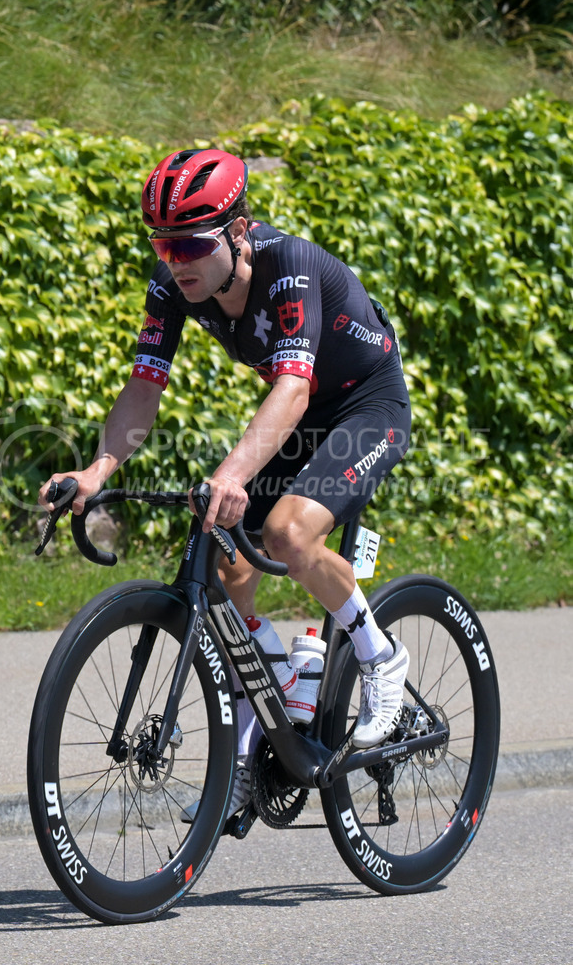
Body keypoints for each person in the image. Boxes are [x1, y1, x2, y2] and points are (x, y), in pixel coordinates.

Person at [39, 147, 412, 820]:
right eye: (162, 242)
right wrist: (94, 472)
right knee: (224, 563)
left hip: (364, 405)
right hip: (296, 410)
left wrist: (232, 474)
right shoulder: (172, 283)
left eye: (189, 243)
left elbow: (294, 387)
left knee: (286, 533)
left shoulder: (287, 266)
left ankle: (378, 655)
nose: (174, 259)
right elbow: (144, 386)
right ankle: (266, 705)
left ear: (238, 232)